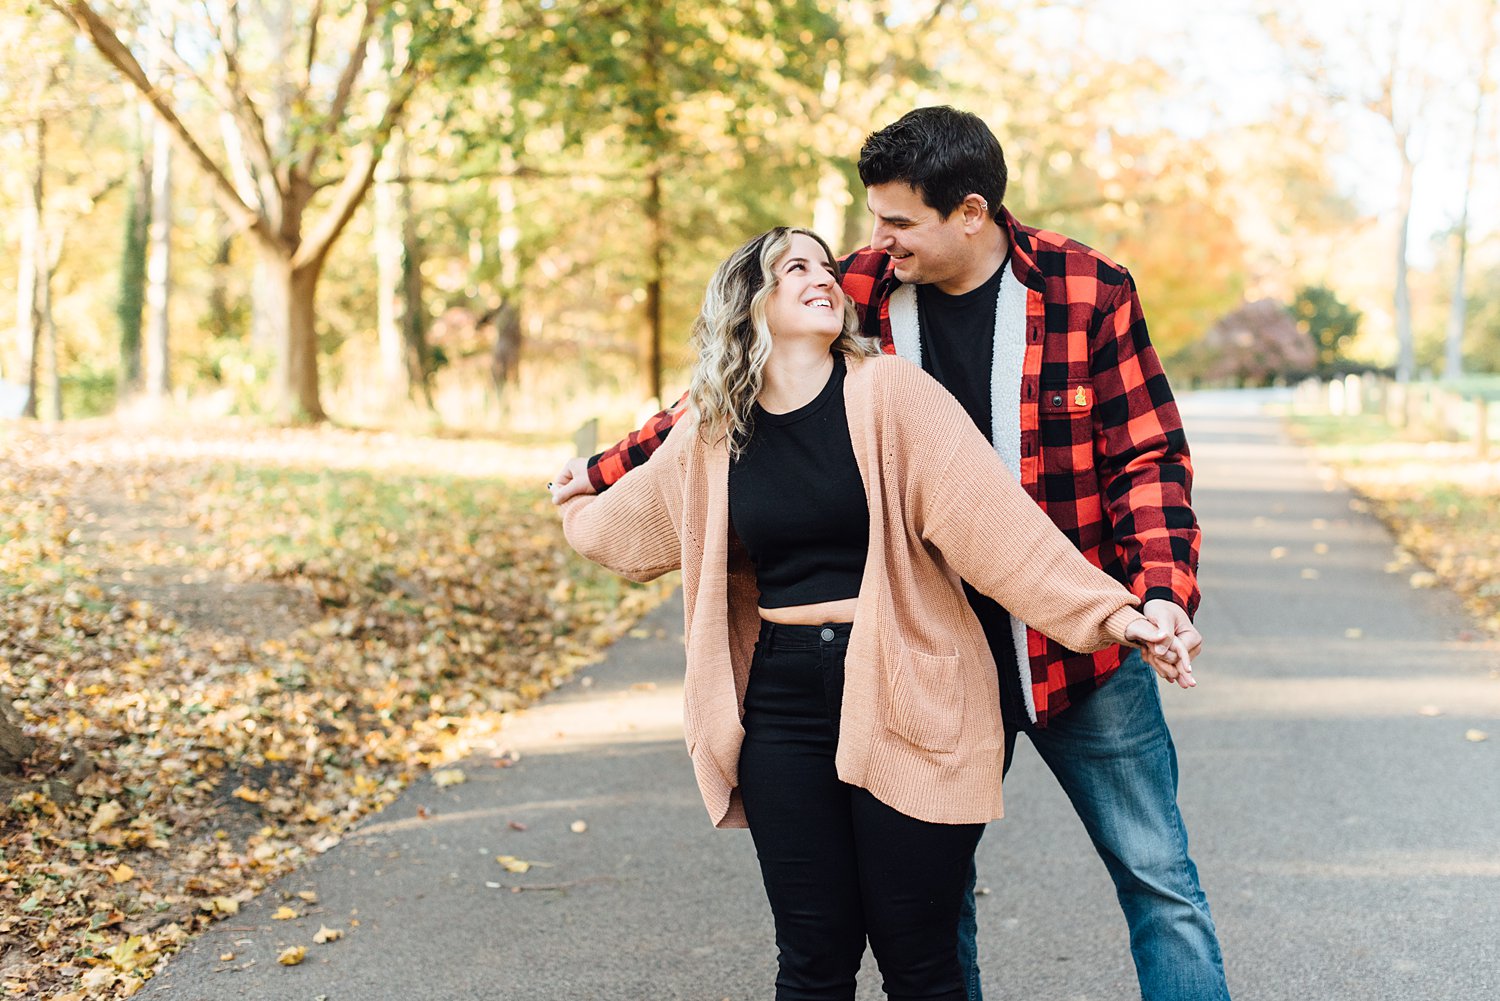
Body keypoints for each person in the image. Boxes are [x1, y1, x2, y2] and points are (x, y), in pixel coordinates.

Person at [553, 107, 1230, 1001]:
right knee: (932, 915)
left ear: (972, 213)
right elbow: (720, 398)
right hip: (919, 649)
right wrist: (596, 475)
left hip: (1070, 642)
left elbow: (1144, 454)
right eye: (872, 221)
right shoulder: (863, 289)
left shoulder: (1085, 288)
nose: (872, 243)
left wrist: (1154, 598)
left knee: (1156, 874)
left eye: (898, 222)